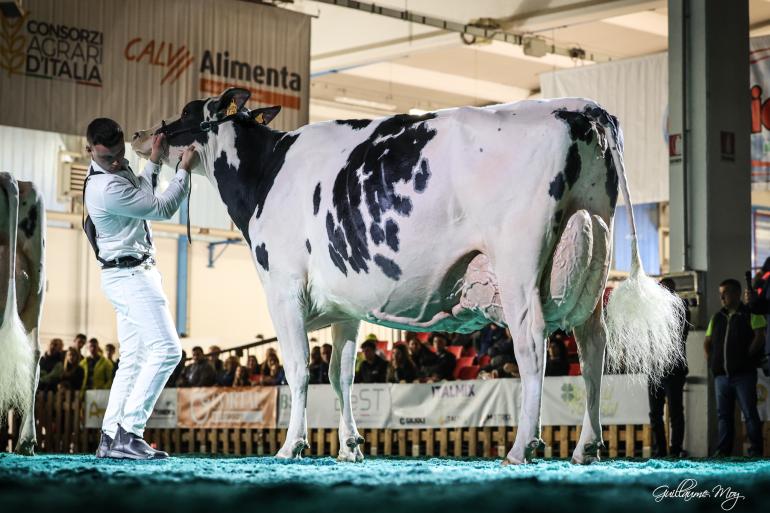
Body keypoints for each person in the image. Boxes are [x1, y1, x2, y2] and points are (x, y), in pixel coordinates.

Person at [83, 117, 194, 459]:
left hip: (127, 274)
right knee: (167, 352)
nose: (117, 161)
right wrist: (184, 171)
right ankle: (130, 433)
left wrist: (155, 159)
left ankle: (108, 437)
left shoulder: (115, 173)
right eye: (108, 158)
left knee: (133, 359)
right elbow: (160, 207)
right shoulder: (106, 188)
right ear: (89, 151)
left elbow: (143, 195)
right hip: (131, 276)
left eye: (118, 154)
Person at [704, 278, 765, 457]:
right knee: (723, 416)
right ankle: (723, 452)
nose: (722, 297)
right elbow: (707, 342)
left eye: (726, 292)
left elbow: (760, 337)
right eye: (720, 293)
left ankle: (756, 452)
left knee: (749, 414)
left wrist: (746, 356)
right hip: (721, 376)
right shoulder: (717, 318)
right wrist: (711, 360)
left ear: (737, 293)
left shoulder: (751, 313)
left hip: (744, 375)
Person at [648, 278, 690, 458]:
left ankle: (675, 450)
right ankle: (660, 450)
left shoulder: (681, 308)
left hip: (673, 369)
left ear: (673, 291)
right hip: (655, 369)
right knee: (655, 414)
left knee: (675, 413)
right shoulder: (653, 309)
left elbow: (680, 334)